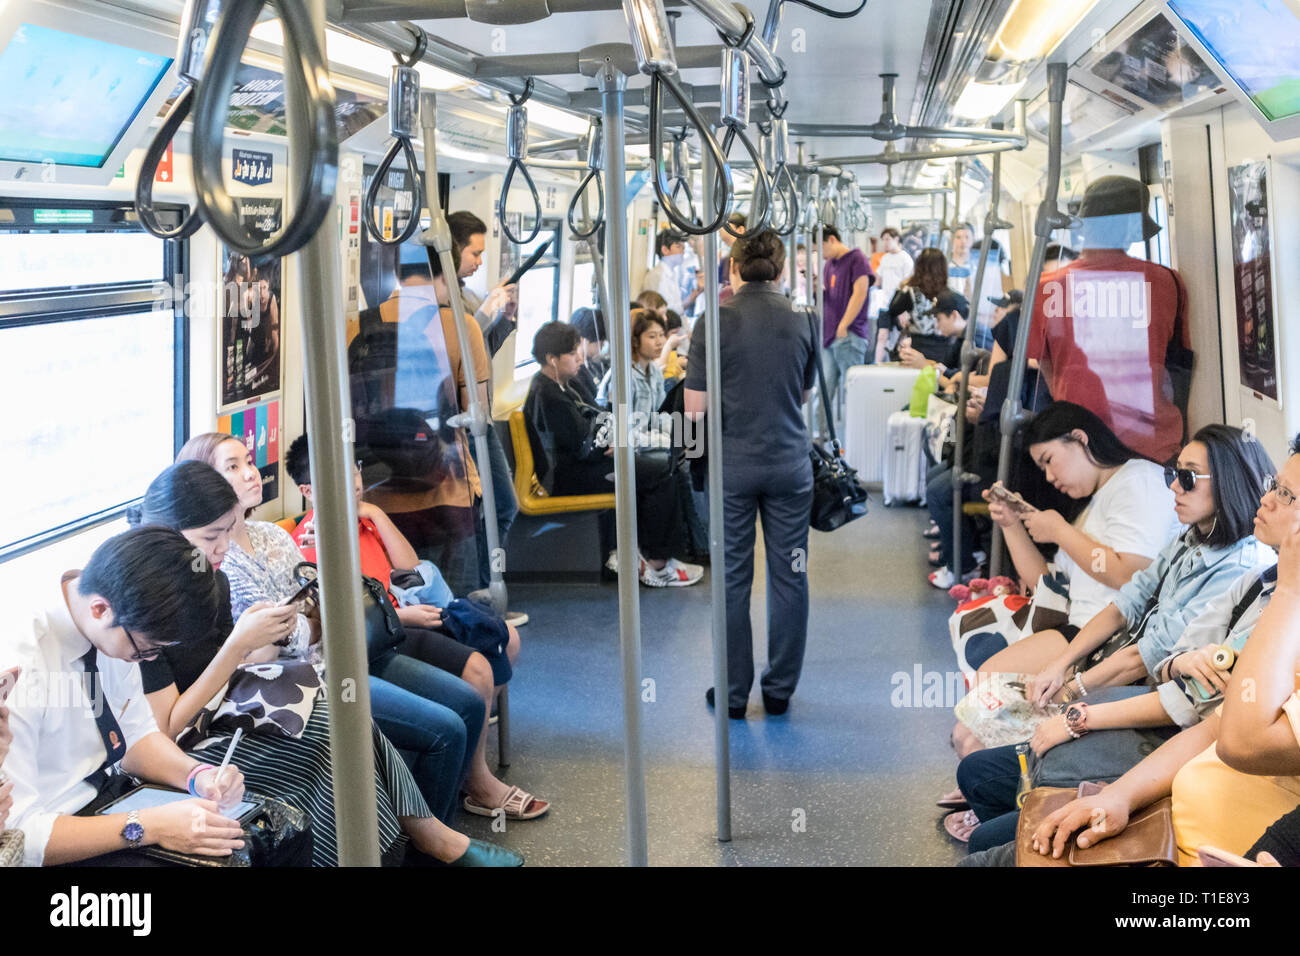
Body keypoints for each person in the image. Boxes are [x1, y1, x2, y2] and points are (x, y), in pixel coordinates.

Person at [128, 462, 524, 865]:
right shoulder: (146, 606)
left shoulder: (214, 580)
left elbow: (241, 666)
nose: (222, 548)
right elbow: (166, 728)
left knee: (347, 719)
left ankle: (417, 844)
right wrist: (240, 646)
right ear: (167, 532)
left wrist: (258, 639)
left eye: (228, 533)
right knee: (332, 740)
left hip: (239, 703)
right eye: (212, 537)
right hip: (194, 744)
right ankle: (424, 842)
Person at [946, 426, 1274, 848]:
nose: (1174, 485)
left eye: (1188, 477)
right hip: (1120, 664)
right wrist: (1062, 666)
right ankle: (1012, 808)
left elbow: (1160, 672)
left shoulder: (1243, 569)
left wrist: (1074, 697)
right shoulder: (1193, 539)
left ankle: (1014, 812)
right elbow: (1129, 603)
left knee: (981, 769)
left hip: (1143, 698)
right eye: (1174, 473)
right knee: (975, 730)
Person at [1018, 444, 1300, 865]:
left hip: (1179, 810)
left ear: (1225, 484)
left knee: (1029, 772)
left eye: (1287, 495)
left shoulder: (1270, 590)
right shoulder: (1243, 571)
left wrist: (1077, 705)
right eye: (1272, 485)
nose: (1173, 487)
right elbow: (1162, 646)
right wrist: (1118, 795)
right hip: (1175, 797)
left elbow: (1207, 713)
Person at [2, 525, 252, 866]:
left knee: (256, 837)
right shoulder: (20, 665)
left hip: (108, 800)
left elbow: (133, 736)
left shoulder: (114, 625)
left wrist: (198, 776)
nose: (147, 660)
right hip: (54, 832)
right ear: (101, 609)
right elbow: (19, 838)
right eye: (145, 651)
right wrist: (148, 826)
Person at [949, 401, 1183, 760]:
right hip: (1080, 626)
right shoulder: (1096, 502)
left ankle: (988, 779)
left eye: (1049, 460)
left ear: (1079, 439)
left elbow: (1130, 573)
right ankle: (984, 780)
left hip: (1109, 636)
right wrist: (1012, 525)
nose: (1048, 477)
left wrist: (1059, 530)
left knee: (985, 695)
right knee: (979, 704)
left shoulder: (1138, 480)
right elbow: (1046, 583)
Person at [685, 230, 817, 718]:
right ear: (782, 271)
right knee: (791, 576)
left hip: (731, 468)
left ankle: (734, 694)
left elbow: (693, 410)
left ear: (733, 269)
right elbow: (802, 396)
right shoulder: (805, 318)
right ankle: (780, 689)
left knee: (733, 580)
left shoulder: (712, 321)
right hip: (789, 467)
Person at [524, 321, 703, 587]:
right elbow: (580, 443)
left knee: (658, 466)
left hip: (580, 466)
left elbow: (596, 421)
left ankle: (648, 552)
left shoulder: (563, 386)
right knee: (660, 473)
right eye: (572, 353)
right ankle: (658, 562)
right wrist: (605, 445)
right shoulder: (548, 395)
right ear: (552, 359)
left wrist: (607, 441)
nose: (580, 358)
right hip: (568, 477)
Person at [1028, 176, 1189, 464]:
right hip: (1153, 445)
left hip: (1082, 450)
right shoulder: (1167, 283)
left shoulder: (1047, 287)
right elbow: (1175, 364)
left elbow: (1045, 365)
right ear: (1131, 230)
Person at [816, 226, 875, 436]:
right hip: (829, 337)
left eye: (821, 247)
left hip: (848, 336)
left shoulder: (857, 259)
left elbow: (860, 293)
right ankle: (819, 436)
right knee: (824, 388)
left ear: (832, 239)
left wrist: (844, 324)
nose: (820, 254)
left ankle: (857, 436)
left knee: (853, 391)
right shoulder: (828, 266)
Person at [446, 210, 517, 336]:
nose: (479, 262)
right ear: (454, 250)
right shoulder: (440, 299)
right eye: (475, 254)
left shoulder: (469, 296)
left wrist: (506, 316)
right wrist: (489, 303)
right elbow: (462, 346)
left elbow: (485, 348)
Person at [882, 247, 950, 362]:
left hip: (917, 349)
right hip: (944, 349)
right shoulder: (948, 293)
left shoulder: (911, 291)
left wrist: (901, 286)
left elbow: (893, 309)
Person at [642, 229, 699, 315]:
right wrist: (692, 297)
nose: (682, 252)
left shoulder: (672, 273)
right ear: (665, 250)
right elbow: (666, 310)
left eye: (683, 248)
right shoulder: (657, 275)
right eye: (678, 247)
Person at [569, 306, 608, 404]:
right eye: (601, 340)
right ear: (584, 340)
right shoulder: (574, 375)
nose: (603, 344)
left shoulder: (592, 365)